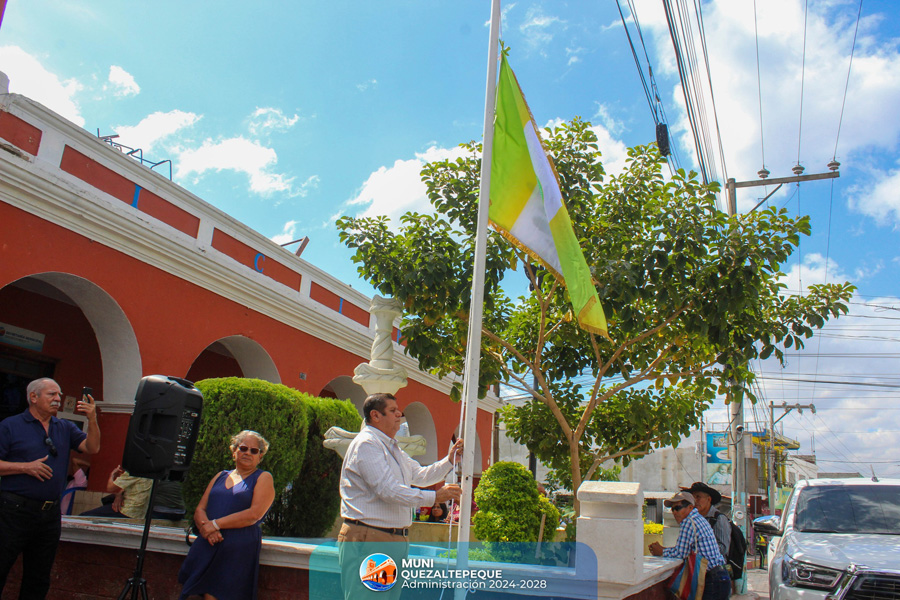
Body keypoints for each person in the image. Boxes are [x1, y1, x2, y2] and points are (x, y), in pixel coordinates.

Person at [338, 393, 463, 600]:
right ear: (375, 415)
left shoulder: (391, 447)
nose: (399, 414)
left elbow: (420, 475)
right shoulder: (367, 444)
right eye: (393, 410)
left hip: (390, 538)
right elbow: (388, 490)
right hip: (371, 535)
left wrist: (450, 461)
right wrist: (434, 497)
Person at [0, 378, 100, 600]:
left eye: (59, 394)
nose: (58, 399)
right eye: (52, 394)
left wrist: (92, 419)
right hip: (13, 512)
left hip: (49, 515)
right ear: (33, 397)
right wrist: (25, 467)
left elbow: (92, 447)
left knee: (38, 578)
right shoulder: (10, 426)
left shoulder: (64, 427)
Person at [178, 430, 275, 600]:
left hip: (237, 547)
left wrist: (215, 525)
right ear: (234, 451)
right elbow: (200, 509)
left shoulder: (263, 478)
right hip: (208, 542)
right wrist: (208, 529)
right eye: (243, 448)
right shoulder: (220, 476)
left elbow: (254, 514)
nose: (248, 453)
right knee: (195, 592)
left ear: (260, 456)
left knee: (219, 594)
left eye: (254, 450)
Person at [649, 491, 730, 600]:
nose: (674, 512)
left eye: (677, 508)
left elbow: (680, 553)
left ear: (690, 507)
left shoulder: (688, 521)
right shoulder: (698, 519)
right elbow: (684, 549)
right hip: (720, 576)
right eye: (672, 509)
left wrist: (661, 552)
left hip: (711, 579)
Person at [80, 465, 152, 519]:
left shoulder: (134, 471)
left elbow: (110, 488)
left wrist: (112, 474)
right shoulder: (150, 472)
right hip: (139, 514)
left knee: (83, 517)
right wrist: (119, 494)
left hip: (126, 510)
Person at [683, 482, 730, 564]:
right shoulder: (692, 519)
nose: (695, 501)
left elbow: (723, 548)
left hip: (714, 568)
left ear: (709, 499)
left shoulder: (718, 519)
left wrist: (699, 549)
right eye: (692, 497)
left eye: (698, 497)